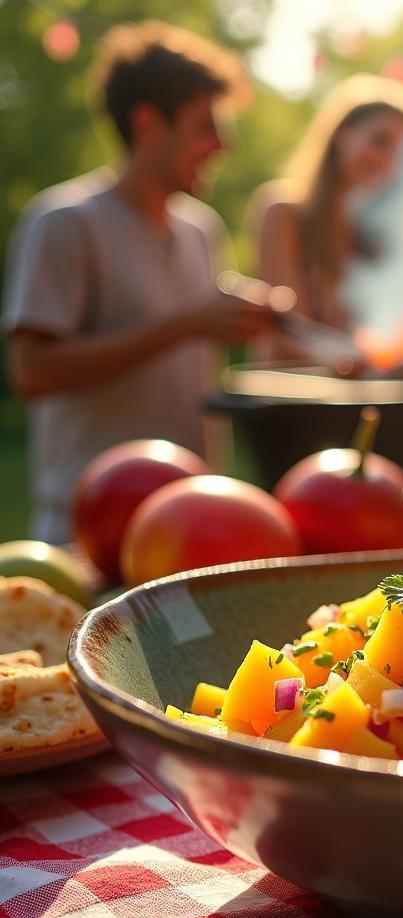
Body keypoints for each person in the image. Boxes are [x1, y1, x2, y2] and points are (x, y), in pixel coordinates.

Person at [3, 20, 282, 544]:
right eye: (206, 125)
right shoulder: (64, 222)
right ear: (149, 121)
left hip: (192, 524)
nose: (222, 144)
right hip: (89, 530)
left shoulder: (201, 229)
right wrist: (185, 325)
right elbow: (31, 372)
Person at [251, 74, 403, 364]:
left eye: (399, 152)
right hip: (290, 399)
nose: (388, 161)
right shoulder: (284, 212)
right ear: (342, 133)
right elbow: (287, 331)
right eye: (380, 142)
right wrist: (360, 357)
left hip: (347, 400)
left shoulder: (368, 233)